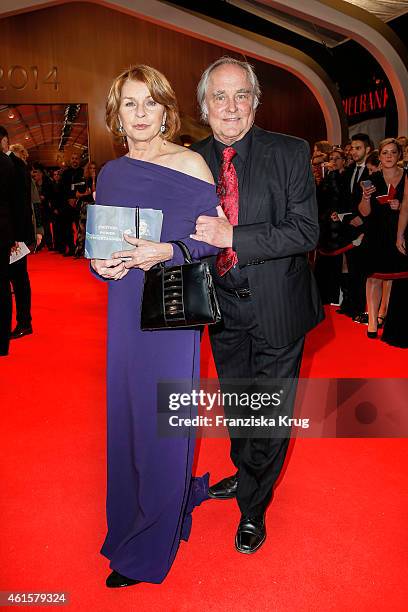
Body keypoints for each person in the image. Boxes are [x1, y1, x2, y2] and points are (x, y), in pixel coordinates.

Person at [90, 65, 218, 588]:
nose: (140, 115)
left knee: (163, 422)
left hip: (171, 304)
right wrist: (100, 264)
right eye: (129, 105)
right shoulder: (112, 173)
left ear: (167, 110)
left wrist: (167, 250)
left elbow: (215, 238)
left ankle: (148, 546)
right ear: (117, 115)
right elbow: (102, 242)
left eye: (150, 104)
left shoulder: (190, 164)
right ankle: (128, 519)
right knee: (127, 417)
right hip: (124, 303)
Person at [190, 57, 323, 554]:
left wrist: (234, 236)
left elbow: (307, 231)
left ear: (255, 101)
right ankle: (247, 472)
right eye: (219, 97)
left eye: (240, 95)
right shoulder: (192, 160)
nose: (230, 106)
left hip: (278, 307)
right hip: (221, 307)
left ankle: (253, 505)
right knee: (241, 405)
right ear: (204, 106)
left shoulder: (289, 152)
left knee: (267, 412)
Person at [359, 138, 407, 338]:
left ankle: (384, 314)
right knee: (374, 277)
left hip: (398, 230)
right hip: (376, 232)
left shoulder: (406, 176)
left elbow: (406, 208)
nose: (388, 156)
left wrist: (399, 236)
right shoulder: (372, 178)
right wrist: (366, 197)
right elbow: (364, 212)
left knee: (396, 277)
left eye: (393, 152)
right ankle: (371, 321)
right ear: (379, 156)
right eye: (385, 153)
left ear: (399, 155)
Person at [0, 126, 42, 339]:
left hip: (15, 236)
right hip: (11, 234)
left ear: (5, 141)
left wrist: (16, 238)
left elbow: (21, 204)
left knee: (18, 280)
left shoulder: (14, 165)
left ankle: (24, 322)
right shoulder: (11, 164)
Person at [0, 147, 16, 356]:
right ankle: (2, 342)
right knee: (2, 285)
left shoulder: (6, 163)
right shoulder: (6, 162)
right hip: (3, 231)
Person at [74, 160, 98, 258]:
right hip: (85, 205)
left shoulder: (98, 180)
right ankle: (79, 250)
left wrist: (93, 180)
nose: (92, 170)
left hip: (95, 206)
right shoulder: (83, 180)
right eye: (90, 168)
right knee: (82, 229)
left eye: (94, 168)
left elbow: (94, 192)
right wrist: (85, 194)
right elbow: (76, 194)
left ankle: (92, 252)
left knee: (93, 230)